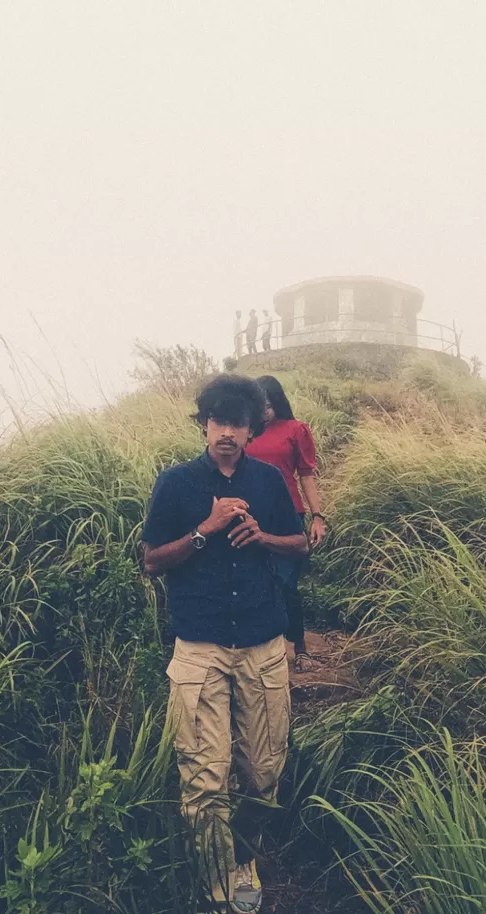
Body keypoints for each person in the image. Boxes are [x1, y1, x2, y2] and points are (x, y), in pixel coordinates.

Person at [143, 375, 306, 914]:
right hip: (200, 648)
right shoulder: (176, 484)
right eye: (218, 421)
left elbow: (300, 543)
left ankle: (242, 854)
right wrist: (204, 529)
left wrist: (263, 537)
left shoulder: (268, 481)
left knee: (263, 775)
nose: (227, 432)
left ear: (251, 427)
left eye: (238, 422)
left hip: (262, 643)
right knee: (205, 782)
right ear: (204, 425)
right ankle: (220, 889)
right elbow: (151, 561)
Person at [245, 375, 327, 670]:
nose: (265, 411)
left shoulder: (296, 429)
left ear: (278, 401)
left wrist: (318, 516)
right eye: (259, 405)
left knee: (287, 582)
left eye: (269, 404)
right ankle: (266, 649)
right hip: (249, 515)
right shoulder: (245, 433)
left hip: (288, 514)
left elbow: (306, 474)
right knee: (254, 582)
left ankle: (300, 648)